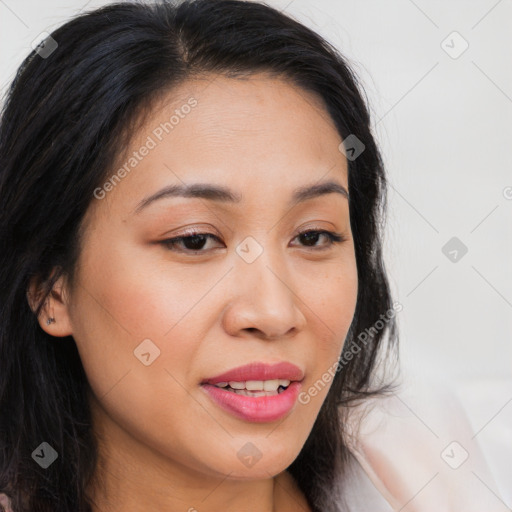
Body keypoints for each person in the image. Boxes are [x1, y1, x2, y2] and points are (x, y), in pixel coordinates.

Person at [3, 1, 504, 511]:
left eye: (313, 237)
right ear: (50, 284)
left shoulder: (432, 455)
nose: (273, 312)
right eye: (194, 240)